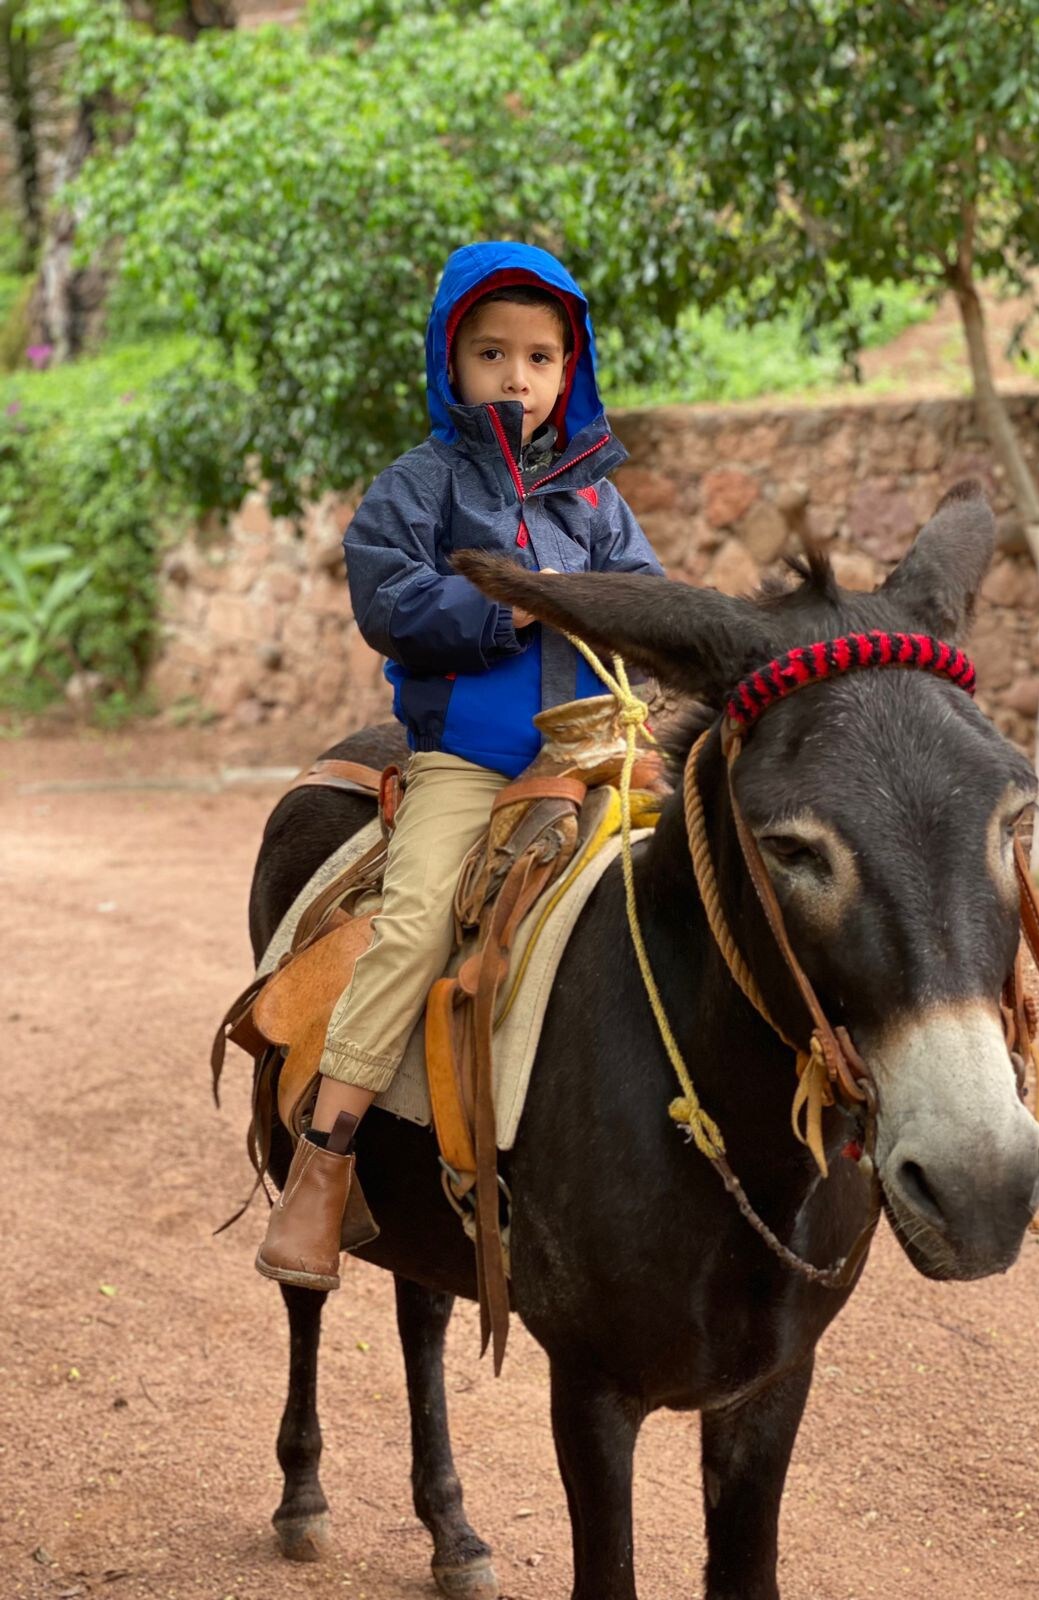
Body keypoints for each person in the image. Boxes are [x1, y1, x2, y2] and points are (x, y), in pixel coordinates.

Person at [255, 240, 663, 1291]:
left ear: (570, 369)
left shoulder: (599, 503)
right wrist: (509, 601)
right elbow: (386, 598)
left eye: (540, 355)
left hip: (600, 759)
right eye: (492, 353)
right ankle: (328, 1157)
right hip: (471, 768)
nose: (517, 376)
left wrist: (646, 633)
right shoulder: (421, 487)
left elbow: (650, 601)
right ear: (452, 362)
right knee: (419, 918)